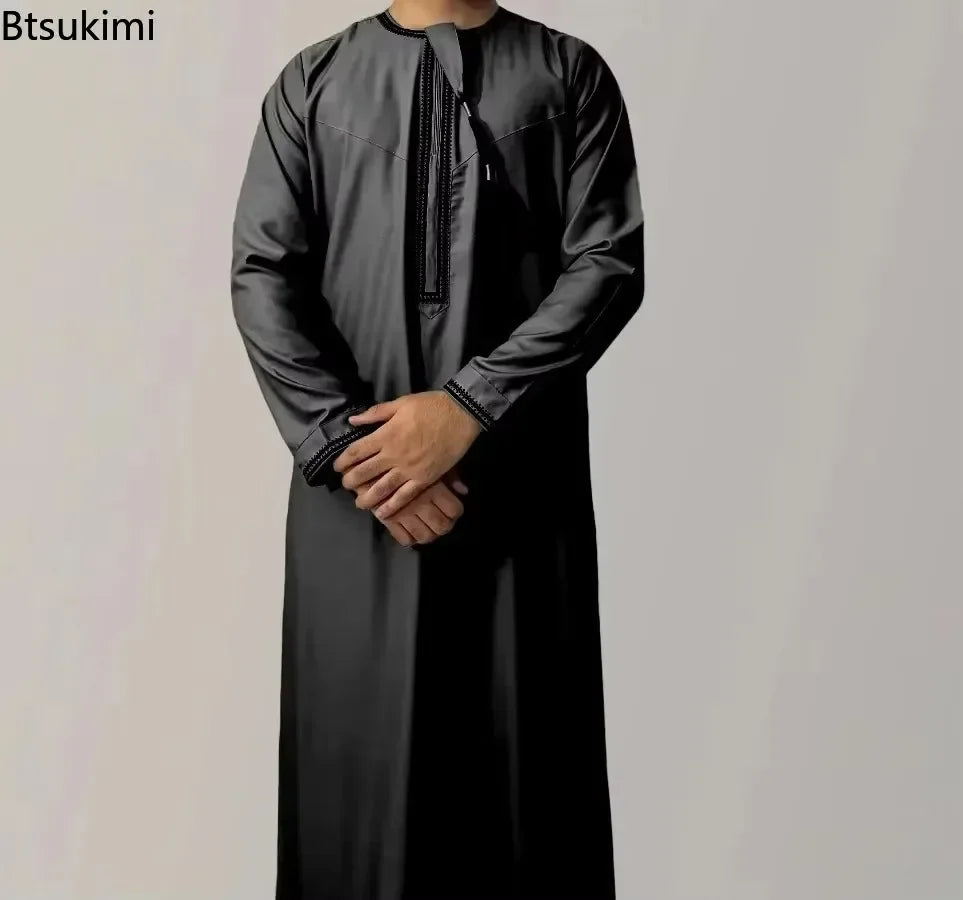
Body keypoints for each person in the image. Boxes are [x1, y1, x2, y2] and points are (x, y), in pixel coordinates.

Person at [230, 1, 645, 896]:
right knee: (354, 791)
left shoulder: (567, 74)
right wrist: (350, 449)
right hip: (357, 504)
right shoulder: (312, 83)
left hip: (518, 487)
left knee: (523, 788)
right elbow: (263, 276)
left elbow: (607, 264)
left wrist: (467, 409)